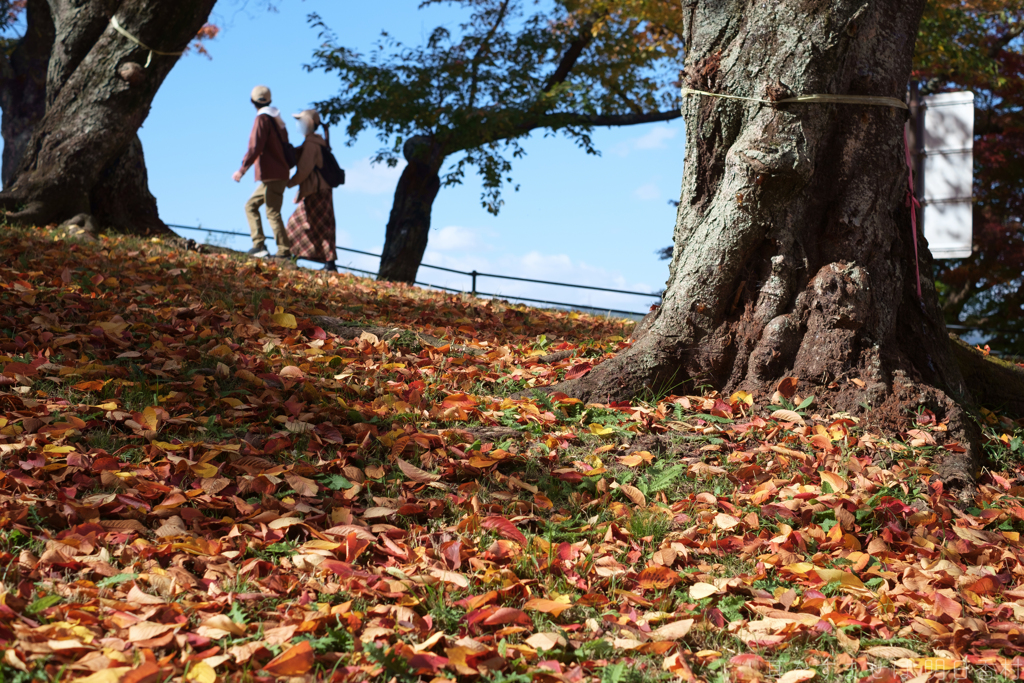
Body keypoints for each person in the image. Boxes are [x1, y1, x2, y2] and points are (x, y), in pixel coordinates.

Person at [232, 85, 292, 260]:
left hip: (271, 174)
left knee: (272, 212)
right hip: (279, 173)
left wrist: (242, 170)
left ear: (252, 102)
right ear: (270, 100)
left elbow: (255, 146)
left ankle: (282, 250)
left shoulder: (262, 120)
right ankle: (260, 244)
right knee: (251, 206)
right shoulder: (278, 120)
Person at [285, 109, 337, 272]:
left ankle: (291, 255)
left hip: (315, 190)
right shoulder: (317, 142)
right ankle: (328, 263)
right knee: (322, 225)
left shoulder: (311, 144)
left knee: (298, 223)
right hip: (322, 190)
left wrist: (288, 183)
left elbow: (304, 170)